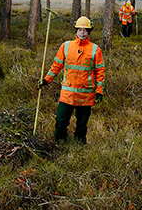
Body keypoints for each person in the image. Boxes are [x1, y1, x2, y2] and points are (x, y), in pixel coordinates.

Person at [40, 16, 105, 144]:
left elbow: (100, 72)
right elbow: (56, 66)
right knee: (61, 120)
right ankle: (60, 143)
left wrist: (99, 91)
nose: (82, 32)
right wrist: (46, 80)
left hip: (85, 94)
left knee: (82, 123)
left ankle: (80, 145)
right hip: (67, 93)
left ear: (89, 32)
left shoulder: (95, 49)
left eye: (85, 30)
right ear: (76, 30)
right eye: (79, 29)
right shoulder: (66, 46)